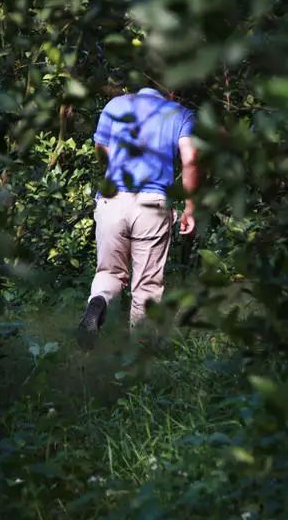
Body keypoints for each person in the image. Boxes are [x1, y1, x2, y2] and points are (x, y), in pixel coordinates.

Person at [77, 84, 200, 348]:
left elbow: (101, 147)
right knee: (146, 286)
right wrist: (190, 206)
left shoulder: (115, 106)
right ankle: (138, 360)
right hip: (152, 204)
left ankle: (97, 302)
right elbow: (190, 159)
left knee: (109, 272)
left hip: (112, 200)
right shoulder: (180, 113)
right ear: (171, 92)